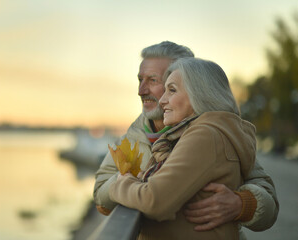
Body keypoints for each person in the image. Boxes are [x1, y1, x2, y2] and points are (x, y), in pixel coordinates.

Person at [93, 42, 278, 238]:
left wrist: (243, 204)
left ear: (193, 86)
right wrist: (131, 177)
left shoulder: (209, 135)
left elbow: (269, 201)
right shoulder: (129, 139)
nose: (141, 90)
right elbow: (100, 199)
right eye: (140, 79)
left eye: (154, 81)